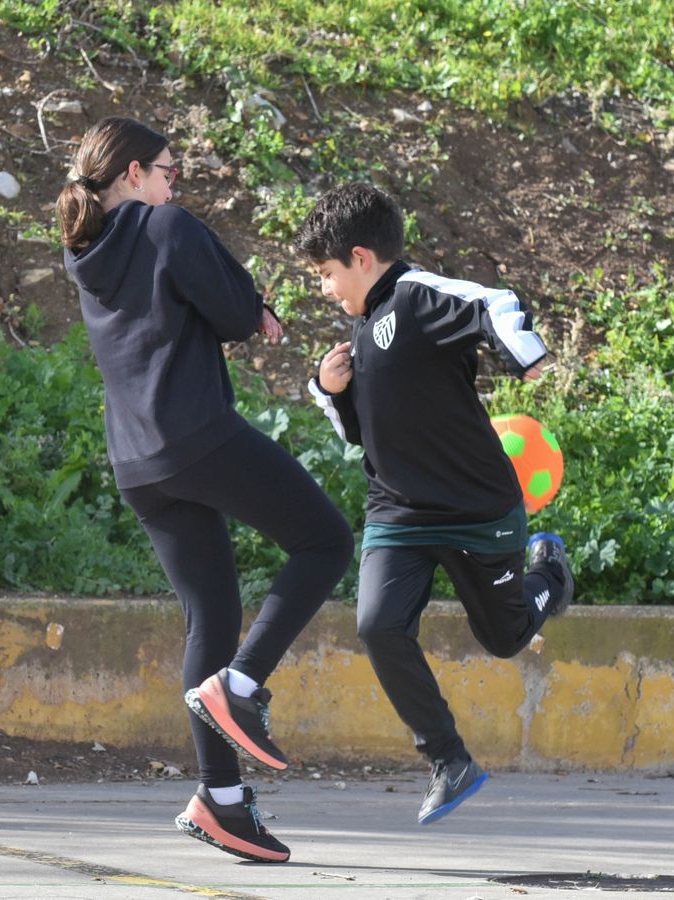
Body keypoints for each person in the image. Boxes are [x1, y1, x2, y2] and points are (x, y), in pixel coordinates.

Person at [58, 116, 353, 862]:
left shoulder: (85, 249)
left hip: (138, 463)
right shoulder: (165, 229)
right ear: (132, 175)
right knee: (325, 540)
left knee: (211, 617)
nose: (172, 181)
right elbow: (228, 312)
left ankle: (220, 800)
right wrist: (255, 307)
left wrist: (241, 303)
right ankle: (244, 686)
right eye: (166, 169)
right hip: (195, 436)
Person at [292, 182, 574, 825]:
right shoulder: (359, 336)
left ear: (362, 258)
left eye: (328, 274)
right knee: (377, 624)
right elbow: (361, 435)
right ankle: (448, 760)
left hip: (479, 509)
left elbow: (492, 303)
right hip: (398, 515)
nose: (327, 288)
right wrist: (328, 390)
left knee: (503, 638)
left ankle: (550, 575)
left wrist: (525, 352)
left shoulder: (417, 298)